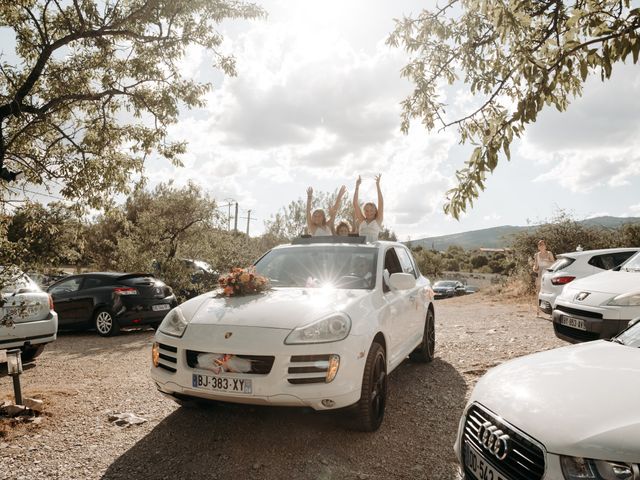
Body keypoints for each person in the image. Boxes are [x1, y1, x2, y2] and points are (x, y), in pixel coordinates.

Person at [352, 174, 384, 242]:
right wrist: (357, 186)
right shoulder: (361, 221)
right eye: (366, 210)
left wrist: (378, 185)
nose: (369, 212)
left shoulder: (378, 221)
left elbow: (381, 203)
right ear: (364, 212)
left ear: (375, 211)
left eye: (371, 210)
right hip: (362, 250)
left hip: (374, 251)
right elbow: (355, 203)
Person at [533, 239, 555, 317]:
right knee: (538, 292)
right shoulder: (536, 255)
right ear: (538, 247)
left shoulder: (549, 253)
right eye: (540, 245)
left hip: (548, 273)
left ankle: (550, 313)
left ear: (545, 246)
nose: (541, 246)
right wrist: (534, 268)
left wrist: (547, 261)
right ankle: (538, 311)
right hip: (540, 274)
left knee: (549, 292)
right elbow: (535, 266)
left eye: (543, 244)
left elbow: (554, 263)